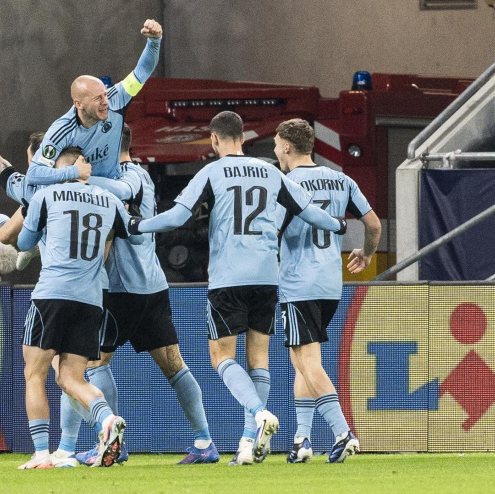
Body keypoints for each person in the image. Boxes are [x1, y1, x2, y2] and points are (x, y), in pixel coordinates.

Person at [128, 111, 346, 465]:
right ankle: (248, 445)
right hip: (267, 277)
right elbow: (308, 210)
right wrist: (336, 224)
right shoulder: (270, 171)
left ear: (215, 140)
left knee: (221, 357)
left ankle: (259, 413)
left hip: (229, 277)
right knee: (258, 358)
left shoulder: (212, 172)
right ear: (242, 137)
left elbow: (177, 217)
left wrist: (138, 225)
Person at [58, 124, 219, 465]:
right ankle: (205, 442)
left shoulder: (130, 174)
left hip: (122, 289)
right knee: (174, 366)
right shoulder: (132, 175)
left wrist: (73, 176)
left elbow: (120, 190)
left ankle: (112, 447)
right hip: (152, 285)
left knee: (93, 364)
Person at [14, 152, 144, 469]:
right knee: (72, 377)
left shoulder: (46, 195)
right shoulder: (108, 199)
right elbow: (130, 233)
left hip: (52, 296)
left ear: (61, 168)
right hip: (90, 298)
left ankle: (42, 454)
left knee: (35, 373)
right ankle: (107, 420)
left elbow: (23, 241)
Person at [273, 119, 382, 463]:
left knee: (306, 361)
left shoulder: (285, 183)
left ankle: (342, 432)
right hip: (330, 285)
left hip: (297, 283)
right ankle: (302, 440)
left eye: (276, 145)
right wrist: (366, 252)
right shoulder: (342, 179)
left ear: (287, 147)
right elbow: (374, 224)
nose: (276, 152)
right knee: (304, 363)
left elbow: (271, 231)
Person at [0, 93, 89, 271]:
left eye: (30, 159)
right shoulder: (35, 189)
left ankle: (34, 243)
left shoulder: (89, 183)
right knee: (6, 236)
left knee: (7, 235)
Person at [25, 19, 162, 185]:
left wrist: (154, 42)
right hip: (81, 195)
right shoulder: (62, 130)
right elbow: (34, 174)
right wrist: (75, 171)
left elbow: (142, 72)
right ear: (78, 104)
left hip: (113, 193)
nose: (106, 102)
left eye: (104, 94)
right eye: (98, 98)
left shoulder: (115, 99)